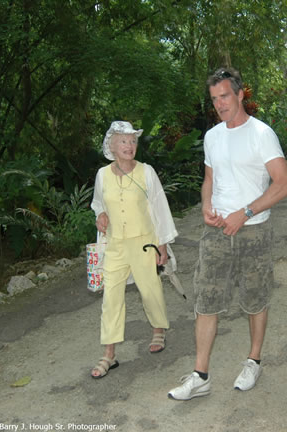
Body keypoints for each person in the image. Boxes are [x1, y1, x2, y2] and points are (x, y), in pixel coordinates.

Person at [168, 67, 287, 401]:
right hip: (217, 232)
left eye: (224, 96)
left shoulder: (261, 134)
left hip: (254, 230)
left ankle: (253, 360)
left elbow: (283, 184)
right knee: (205, 300)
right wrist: (207, 205)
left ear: (239, 95)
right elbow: (209, 179)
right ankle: (200, 374)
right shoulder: (212, 136)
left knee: (255, 298)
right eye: (214, 99)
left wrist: (247, 212)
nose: (220, 104)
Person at [89, 121, 178, 379]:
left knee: (150, 289)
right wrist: (101, 215)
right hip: (115, 244)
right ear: (112, 146)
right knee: (111, 298)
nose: (130, 146)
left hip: (144, 242)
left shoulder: (146, 172)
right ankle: (109, 354)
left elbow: (160, 207)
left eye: (133, 141)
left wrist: (162, 243)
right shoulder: (102, 175)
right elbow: (97, 203)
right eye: (124, 141)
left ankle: (159, 329)